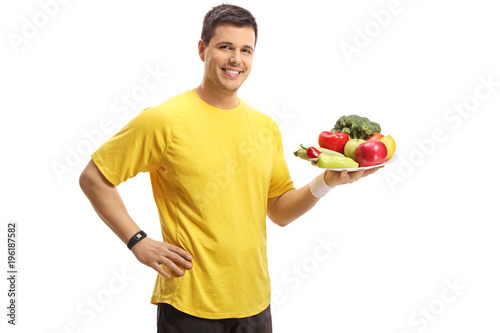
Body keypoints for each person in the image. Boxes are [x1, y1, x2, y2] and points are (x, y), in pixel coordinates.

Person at [79, 4, 381, 332]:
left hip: (254, 304)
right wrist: (137, 240)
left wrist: (327, 181)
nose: (236, 59)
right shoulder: (164, 121)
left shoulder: (265, 128)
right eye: (225, 47)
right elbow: (94, 177)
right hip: (189, 305)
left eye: (245, 50)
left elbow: (278, 211)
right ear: (202, 49)